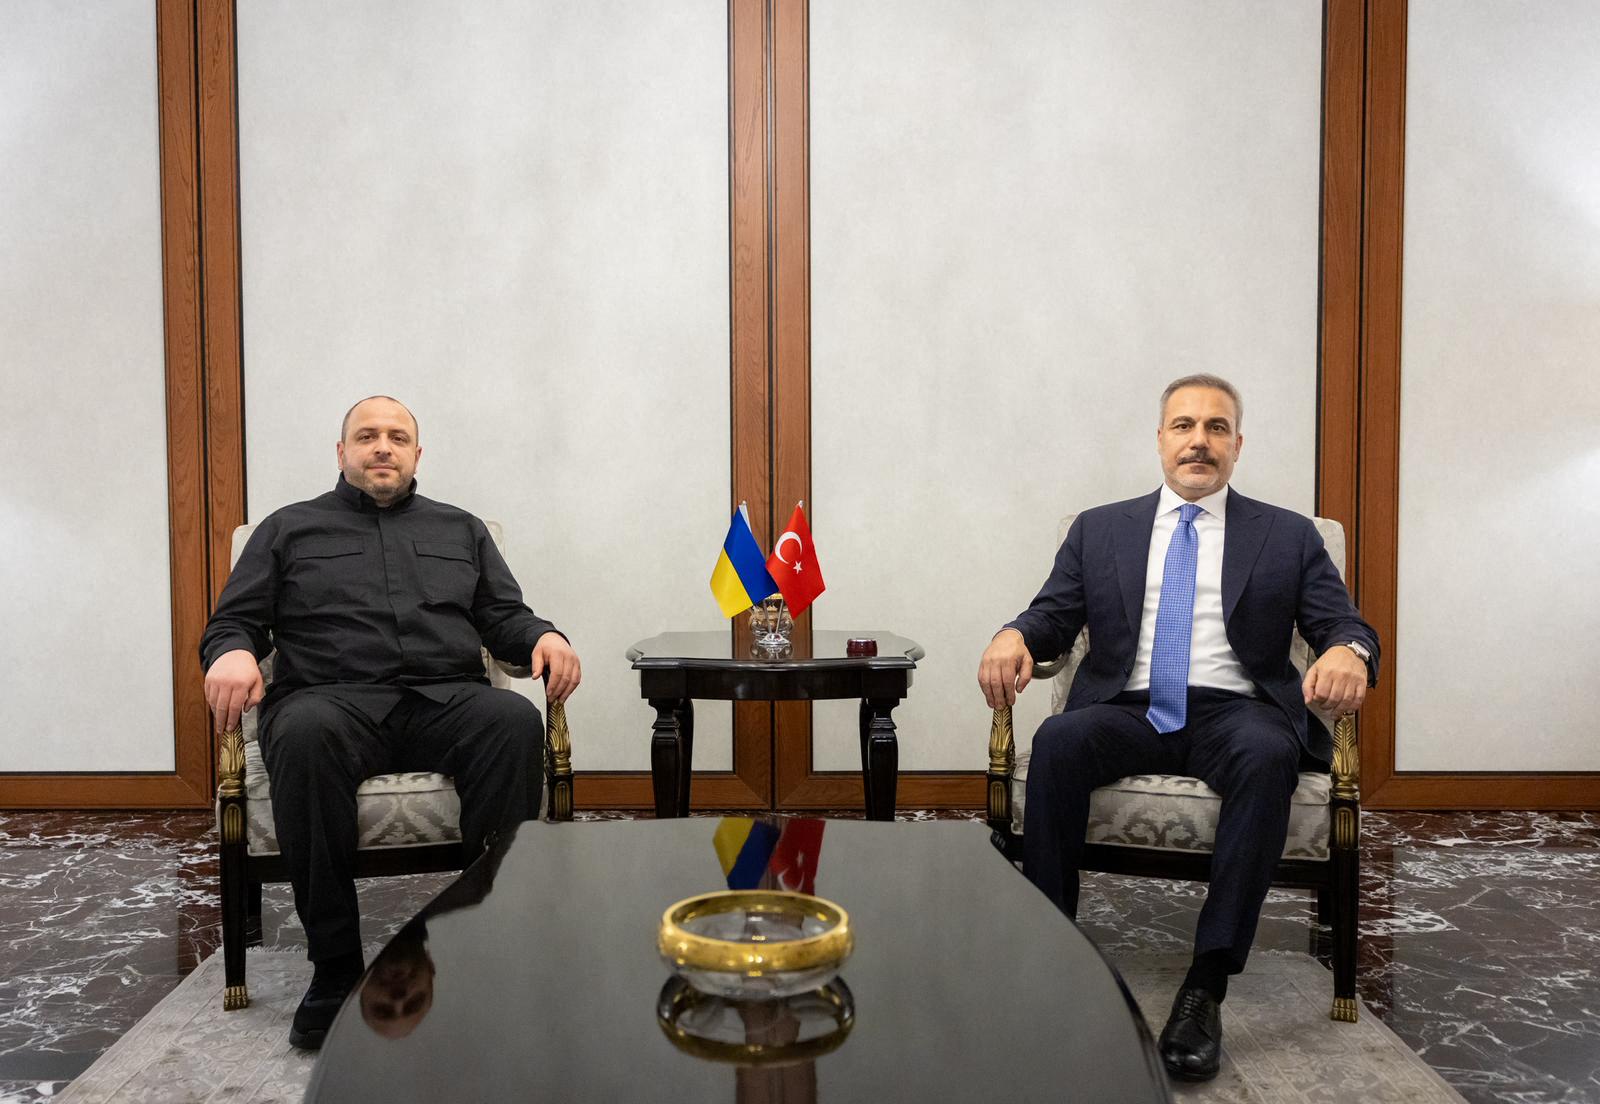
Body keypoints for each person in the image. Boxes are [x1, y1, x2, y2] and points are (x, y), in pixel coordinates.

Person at [977, 374, 1377, 1082]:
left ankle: (1206, 985)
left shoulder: (1287, 535)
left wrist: (1350, 649)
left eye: (1216, 428)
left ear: (1238, 445)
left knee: (1266, 753)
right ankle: (1053, 958)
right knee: (1059, 742)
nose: (1200, 440)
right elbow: (1053, 616)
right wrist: (1014, 632)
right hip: (1129, 708)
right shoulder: (1100, 528)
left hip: (1236, 710)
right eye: (1184, 425)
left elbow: (1341, 622)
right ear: (1160, 439)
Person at [200, 395, 581, 1050]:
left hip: (444, 699)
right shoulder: (286, 529)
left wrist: (545, 638)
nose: (383, 446)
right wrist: (232, 651)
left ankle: (478, 948)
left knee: (512, 720)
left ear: (416, 454)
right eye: (367, 435)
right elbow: (234, 620)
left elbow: (504, 618)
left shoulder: (460, 530)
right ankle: (336, 968)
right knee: (302, 734)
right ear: (341, 452)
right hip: (330, 701)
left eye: (397, 436)